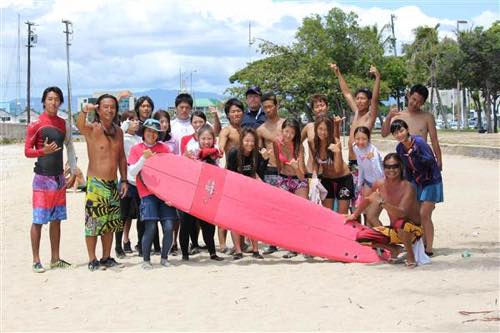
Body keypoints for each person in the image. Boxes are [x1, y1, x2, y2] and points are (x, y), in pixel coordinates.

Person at [24, 86, 78, 273]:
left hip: (59, 179)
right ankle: (36, 260)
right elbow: (27, 151)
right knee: (38, 220)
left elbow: (70, 147)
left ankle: (55, 258)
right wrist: (42, 151)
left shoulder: (64, 124)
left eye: (56, 99)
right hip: (42, 179)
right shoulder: (35, 124)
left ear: (60, 102)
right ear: (44, 101)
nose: (53, 102)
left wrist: (73, 171)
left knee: (56, 220)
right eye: (50, 99)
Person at [76, 94, 128, 271]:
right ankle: (92, 258)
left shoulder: (119, 131)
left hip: (113, 183)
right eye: (105, 106)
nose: (109, 110)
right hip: (96, 184)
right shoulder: (92, 129)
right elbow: (79, 125)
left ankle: (106, 256)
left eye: (112, 106)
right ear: (99, 109)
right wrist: (85, 110)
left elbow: (122, 157)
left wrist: (124, 180)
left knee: (110, 224)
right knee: (93, 224)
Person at [346, 153, 423, 268]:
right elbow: (368, 199)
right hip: (395, 230)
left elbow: (402, 213)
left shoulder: (408, 187)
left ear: (401, 167)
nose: (391, 170)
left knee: (401, 223)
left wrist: (382, 202)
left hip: (413, 231)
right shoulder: (379, 184)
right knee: (361, 237)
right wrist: (354, 214)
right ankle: (394, 249)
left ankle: (410, 256)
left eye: (395, 166)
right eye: (387, 167)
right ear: (383, 168)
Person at [391, 119, 443, 257]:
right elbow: (405, 169)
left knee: (424, 214)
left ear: (407, 129)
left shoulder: (419, 142)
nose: (399, 134)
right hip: (416, 182)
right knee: (420, 216)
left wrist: (416, 155)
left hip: (431, 181)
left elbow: (431, 161)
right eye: (396, 133)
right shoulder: (399, 148)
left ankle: (429, 249)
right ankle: (424, 243)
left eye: (401, 130)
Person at [128, 119, 176, 269]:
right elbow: (132, 172)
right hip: (147, 194)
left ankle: (164, 257)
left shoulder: (165, 148)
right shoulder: (136, 149)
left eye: (155, 132)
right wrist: (144, 158)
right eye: (149, 130)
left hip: (165, 195)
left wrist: (171, 195)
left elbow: (172, 173)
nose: (152, 134)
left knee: (169, 227)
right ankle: (146, 260)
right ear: (144, 131)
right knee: (151, 227)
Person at [180, 124, 224, 261]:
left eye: (209, 138)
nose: (206, 141)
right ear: (198, 139)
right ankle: (185, 255)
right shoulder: (192, 150)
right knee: (186, 224)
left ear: (213, 139)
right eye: (203, 138)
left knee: (208, 226)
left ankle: (212, 253)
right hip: (190, 194)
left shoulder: (216, 152)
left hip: (206, 194)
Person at [226, 128, 270, 260]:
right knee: (234, 221)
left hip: (251, 191)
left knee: (253, 220)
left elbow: (260, 174)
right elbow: (230, 174)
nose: (249, 144)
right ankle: (238, 251)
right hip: (236, 191)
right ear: (241, 141)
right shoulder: (234, 153)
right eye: (246, 141)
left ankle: (256, 250)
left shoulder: (256, 153)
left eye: (252, 141)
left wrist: (265, 160)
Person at [330, 63, 380, 168]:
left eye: (363, 98)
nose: (359, 101)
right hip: (352, 162)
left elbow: (375, 99)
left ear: (369, 101)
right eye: (357, 98)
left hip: (363, 162)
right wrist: (338, 73)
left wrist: (377, 77)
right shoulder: (357, 112)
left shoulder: (370, 116)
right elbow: (347, 93)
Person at [381, 84, 443, 170]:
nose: (415, 104)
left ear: (423, 103)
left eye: (419, 102)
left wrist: (439, 160)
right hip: (403, 162)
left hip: (421, 161)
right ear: (409, 95)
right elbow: (384, 134)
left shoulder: (427, 117)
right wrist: (388, 117)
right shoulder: (398, 116)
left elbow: (434, 141)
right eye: (413, 99)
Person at [273, 118, 308, 259]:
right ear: (282, 130)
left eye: (292, 133)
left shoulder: (299, 146)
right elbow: (278, 166)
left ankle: (304, 245)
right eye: (286, 131)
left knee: (302, 213)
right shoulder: (277, 143)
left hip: (298, 180)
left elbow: (301, 175)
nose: (288, 135)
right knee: (286, 214)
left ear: (296, 134)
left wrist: (295, 167)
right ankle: (292, 247)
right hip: (283, 179)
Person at [256, 93, 285, 254]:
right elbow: (260, 152)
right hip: (270, 171)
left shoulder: (285, 124)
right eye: (265, 107)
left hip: (287, 171)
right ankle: (272, 242)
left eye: (270, 106)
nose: (268, 110)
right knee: (271, 209)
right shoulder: (261, 129)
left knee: (287, 208)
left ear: (276, 105)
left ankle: (290, 241)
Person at [216, 98, 244, 252]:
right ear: (227, 114)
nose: (236, 113)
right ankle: (222, 244)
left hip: (243, 175)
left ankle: (241, 243)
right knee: (225, 210)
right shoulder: (226, 130)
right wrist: (220, 149)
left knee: (241, 211)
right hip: (229, 174)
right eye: (233, 111)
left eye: (239, 110)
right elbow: (221, 144)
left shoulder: (244, 130)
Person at [311, 116, 354, 214]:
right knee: (327, 213)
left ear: (330, 130)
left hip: (343, 179)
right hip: (327, 179)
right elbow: (315, 161)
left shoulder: (335, 142)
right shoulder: (314, 143)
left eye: (326, 129)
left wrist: (338, 152)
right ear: (316, 129)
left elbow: (338, 169)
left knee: (342, 215)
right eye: (320, 129)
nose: (323, 132)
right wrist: (314, 176)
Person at [114, 110, 142, 258]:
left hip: (140, 182)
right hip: (126, 180)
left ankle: (141, 244)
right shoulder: (122, 137)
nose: (135, 122)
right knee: (122, 215)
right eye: (131, 120)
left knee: (140, 215)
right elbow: (115, 138)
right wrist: (123, 127)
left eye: (137, 120)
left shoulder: (139, 139)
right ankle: (119, 245)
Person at [154, 109, 179, 255]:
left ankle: (172, 243)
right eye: (160, 122)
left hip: (170, 182)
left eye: (166, 122)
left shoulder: (173, 139)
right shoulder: (151, 139)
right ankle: (156, 246)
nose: (163, 125)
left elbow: (176, 159)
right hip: (155, 182)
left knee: (171, 216)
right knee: (153, 217)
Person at [352, 126, 385, 227]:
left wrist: (372, 160)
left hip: (379, 185)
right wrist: (359, 185)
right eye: (357, 138)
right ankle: (368, 235)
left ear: (369, 139)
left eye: (364, 139)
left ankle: (382, 237)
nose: (360, 142)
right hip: (367, 182)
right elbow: (361, 167)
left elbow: (379, 172)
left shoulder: (373, 151)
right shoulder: (355, 148)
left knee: (372, 215)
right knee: (366, 211)